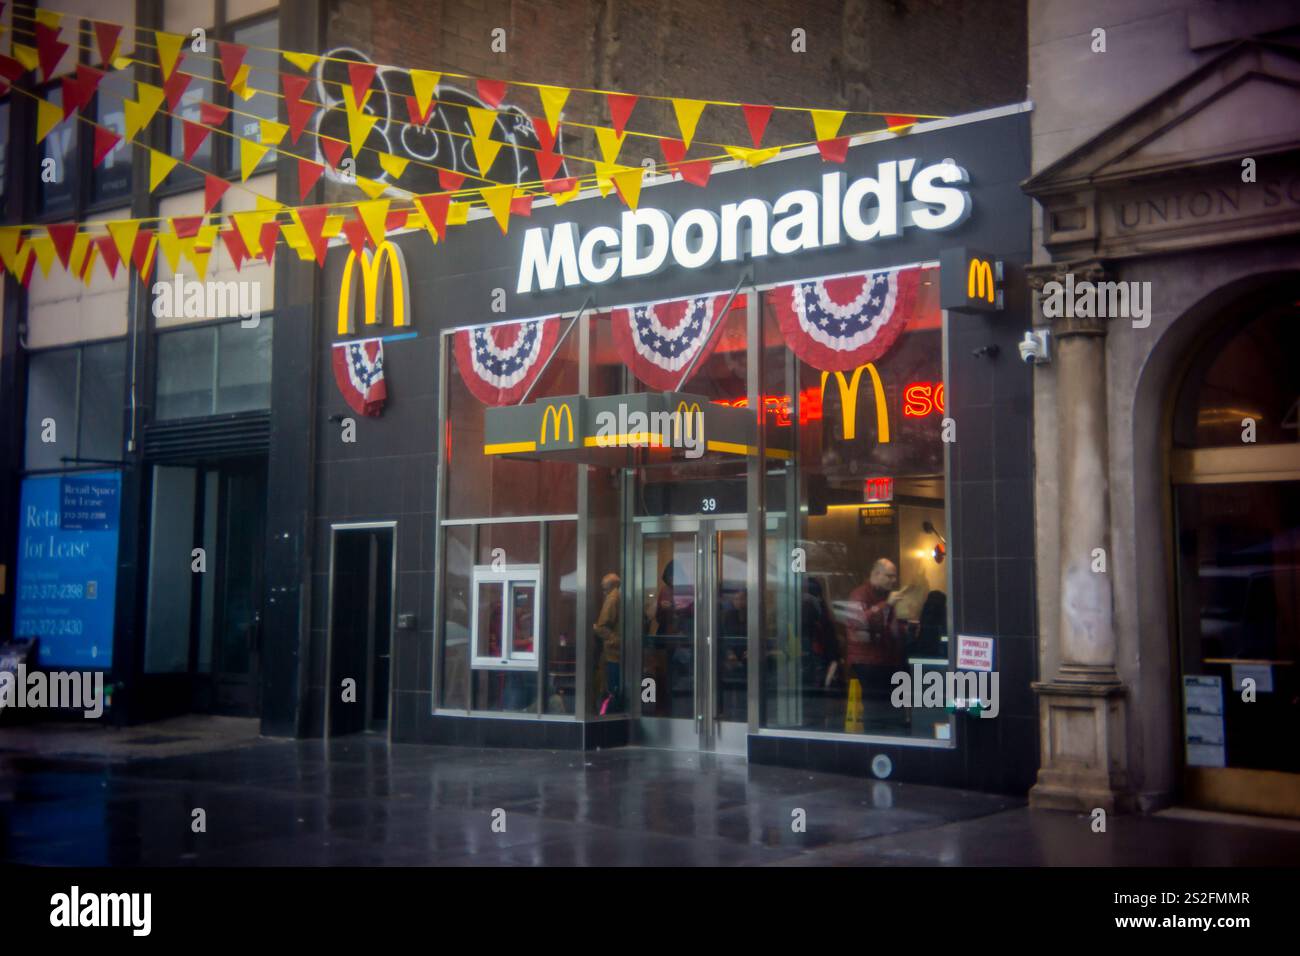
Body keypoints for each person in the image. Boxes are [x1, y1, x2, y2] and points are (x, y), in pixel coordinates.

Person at [845, 558, 905, 728]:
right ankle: (875, 736)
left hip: (885, 658)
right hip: (868, 660)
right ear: (876, 574)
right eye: (889, 576)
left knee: (887, 705)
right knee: (874, 706)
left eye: (894, 577)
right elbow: (858, 622)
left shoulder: (886, 597)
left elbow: (890, 628)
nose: (893, 581)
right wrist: (886, 605)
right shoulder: (860, 594)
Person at [593, 572, 622, 714]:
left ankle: (607, 715)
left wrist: (612, 639)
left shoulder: (612, 599)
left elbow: (602, 626)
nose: (603, 591)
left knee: (611, 688)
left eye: (604, 588)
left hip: (613, 653)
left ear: (610, 586)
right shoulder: (620, 597)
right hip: (618, 652)